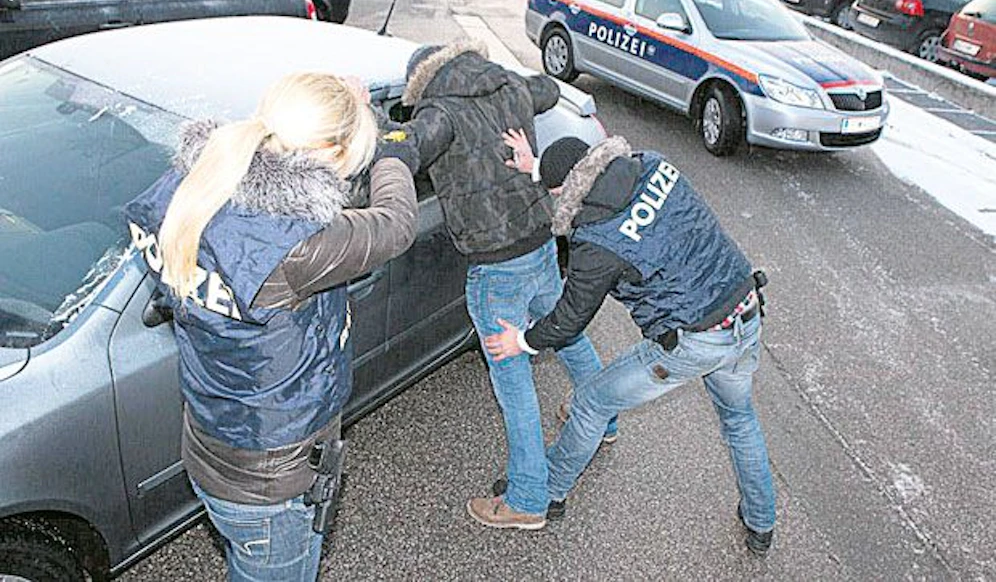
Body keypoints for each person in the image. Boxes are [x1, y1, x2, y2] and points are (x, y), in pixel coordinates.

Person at [124, 72, 419, 580]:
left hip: (209, 441)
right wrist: (392, 153)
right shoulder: (298, 244)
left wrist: (343, 112)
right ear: (330, 153)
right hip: (271, 480)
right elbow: (396, 225)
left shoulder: (193, 185)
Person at [485, 135, 777, 555]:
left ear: (564, 190)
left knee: (591, 402)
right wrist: (537, 167)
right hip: (744, 308)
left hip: (693, 338)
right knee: (739, 419)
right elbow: (583, 178)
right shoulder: (651, 164)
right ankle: (761, 523)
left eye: (556, 193)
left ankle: (548, 492)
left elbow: (569, 319)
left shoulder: (595, 241)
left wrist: (522, 341)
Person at [399, 41, 610, 530]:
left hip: (496, 265)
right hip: (538, 239)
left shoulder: (439, 113)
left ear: (422, 83)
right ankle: (604, 418)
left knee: (513, 380)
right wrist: (509, 87)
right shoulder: (510, 83)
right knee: (567, 333)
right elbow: (547, 90)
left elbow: (403, 150)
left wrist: (367, 123)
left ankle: (528, 497)